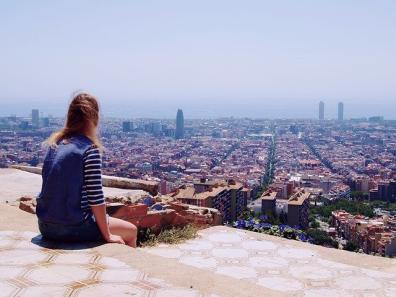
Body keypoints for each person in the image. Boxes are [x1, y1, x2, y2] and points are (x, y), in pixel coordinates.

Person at [36, 92, 137, 247]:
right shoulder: (89, 150)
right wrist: (108, 235)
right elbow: (96, 198)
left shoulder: (54, 145)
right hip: (74, 227)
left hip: (45, 226)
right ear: (93, 118)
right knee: (131, 231)